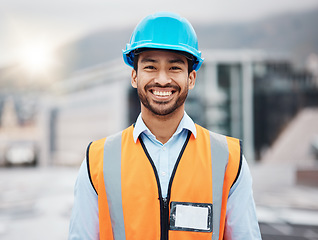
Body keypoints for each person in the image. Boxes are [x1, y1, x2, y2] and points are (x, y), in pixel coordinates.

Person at [68, 12, 262, 240]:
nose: (162, 79)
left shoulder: (229, 159)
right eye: (150, 67)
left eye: (174, 68)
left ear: (191, 78)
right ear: (134, 76)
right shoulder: (97, 161)